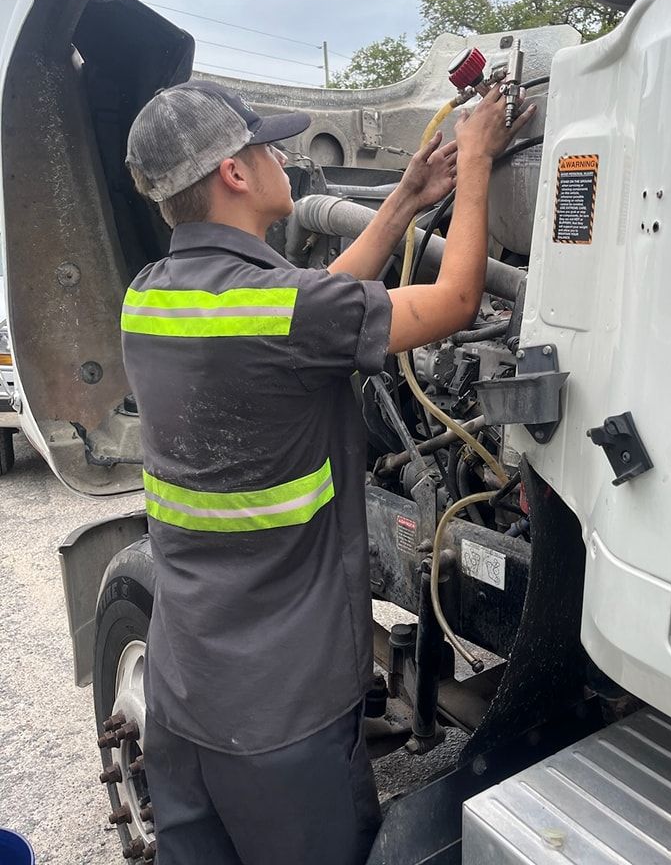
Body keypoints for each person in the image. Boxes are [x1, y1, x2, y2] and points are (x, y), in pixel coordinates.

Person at [121, 78, 535, 865]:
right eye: (267, 145)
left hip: (184, 693)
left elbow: (309, 308)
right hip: (285, 716)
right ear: (234, 175)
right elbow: (453, 299)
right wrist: (477, 164)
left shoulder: (148, 297)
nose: (283, 157)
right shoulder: (287, 312)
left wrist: (405, 199)